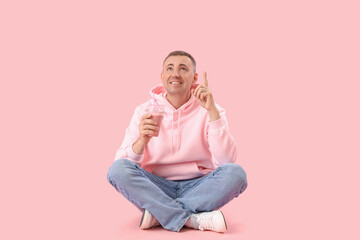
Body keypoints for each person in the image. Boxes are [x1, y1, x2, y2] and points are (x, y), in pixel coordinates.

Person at [107, 50, 247, 233]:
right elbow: (121, 163)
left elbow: (226, 161)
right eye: (170, 68)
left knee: (236, 174)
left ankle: (160, 213)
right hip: (156, 187)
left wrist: (212, 112)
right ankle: (192, 219)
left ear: (194, 77)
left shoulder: (211, 108)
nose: (175, 74)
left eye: (183, 68)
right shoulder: (145, 110)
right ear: (162, 76)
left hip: (200, 186)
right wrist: (142, 141)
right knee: (117, 170)